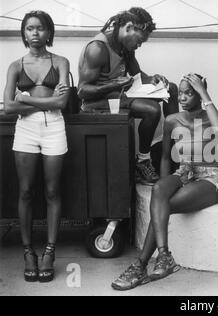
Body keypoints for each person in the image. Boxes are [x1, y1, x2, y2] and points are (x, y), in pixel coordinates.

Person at [111, 74, 218, 291]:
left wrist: (203, 91)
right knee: (159, 192)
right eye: (180, 92)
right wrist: (164, 186)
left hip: (209, 177)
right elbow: (165, 157)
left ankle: (139, 266)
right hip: (183, 172)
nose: (182, 97)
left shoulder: (213, 116)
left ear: (200, 95)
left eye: (189, 93)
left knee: (164, 207)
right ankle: (164, 255)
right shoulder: (173, 120)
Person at [3, 11, 70, 282]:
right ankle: (28, 251)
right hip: (26, 131)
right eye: (29, 29)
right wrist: (48, 99)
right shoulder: (15, 66)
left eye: (40, 28)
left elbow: (61, 104)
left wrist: (25, 99)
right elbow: (8, 107)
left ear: (49, 32)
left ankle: (50, 252)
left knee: (53, 190)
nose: (34, 33)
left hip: (54, 127)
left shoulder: (62, 62)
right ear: (23, 33)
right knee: (26, 191)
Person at [77, 7, 179, 185]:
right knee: (152, 110)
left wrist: (152, 79)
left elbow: (137, 74)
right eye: (139, 41)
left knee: (171, 88)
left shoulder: (125, 46)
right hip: (97, 101)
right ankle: (143, 161)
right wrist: (113, 85)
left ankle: (172, 151)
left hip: (119, 93)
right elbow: (82, 91)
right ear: (128, 27)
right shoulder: (98, 48)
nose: (139, 45)